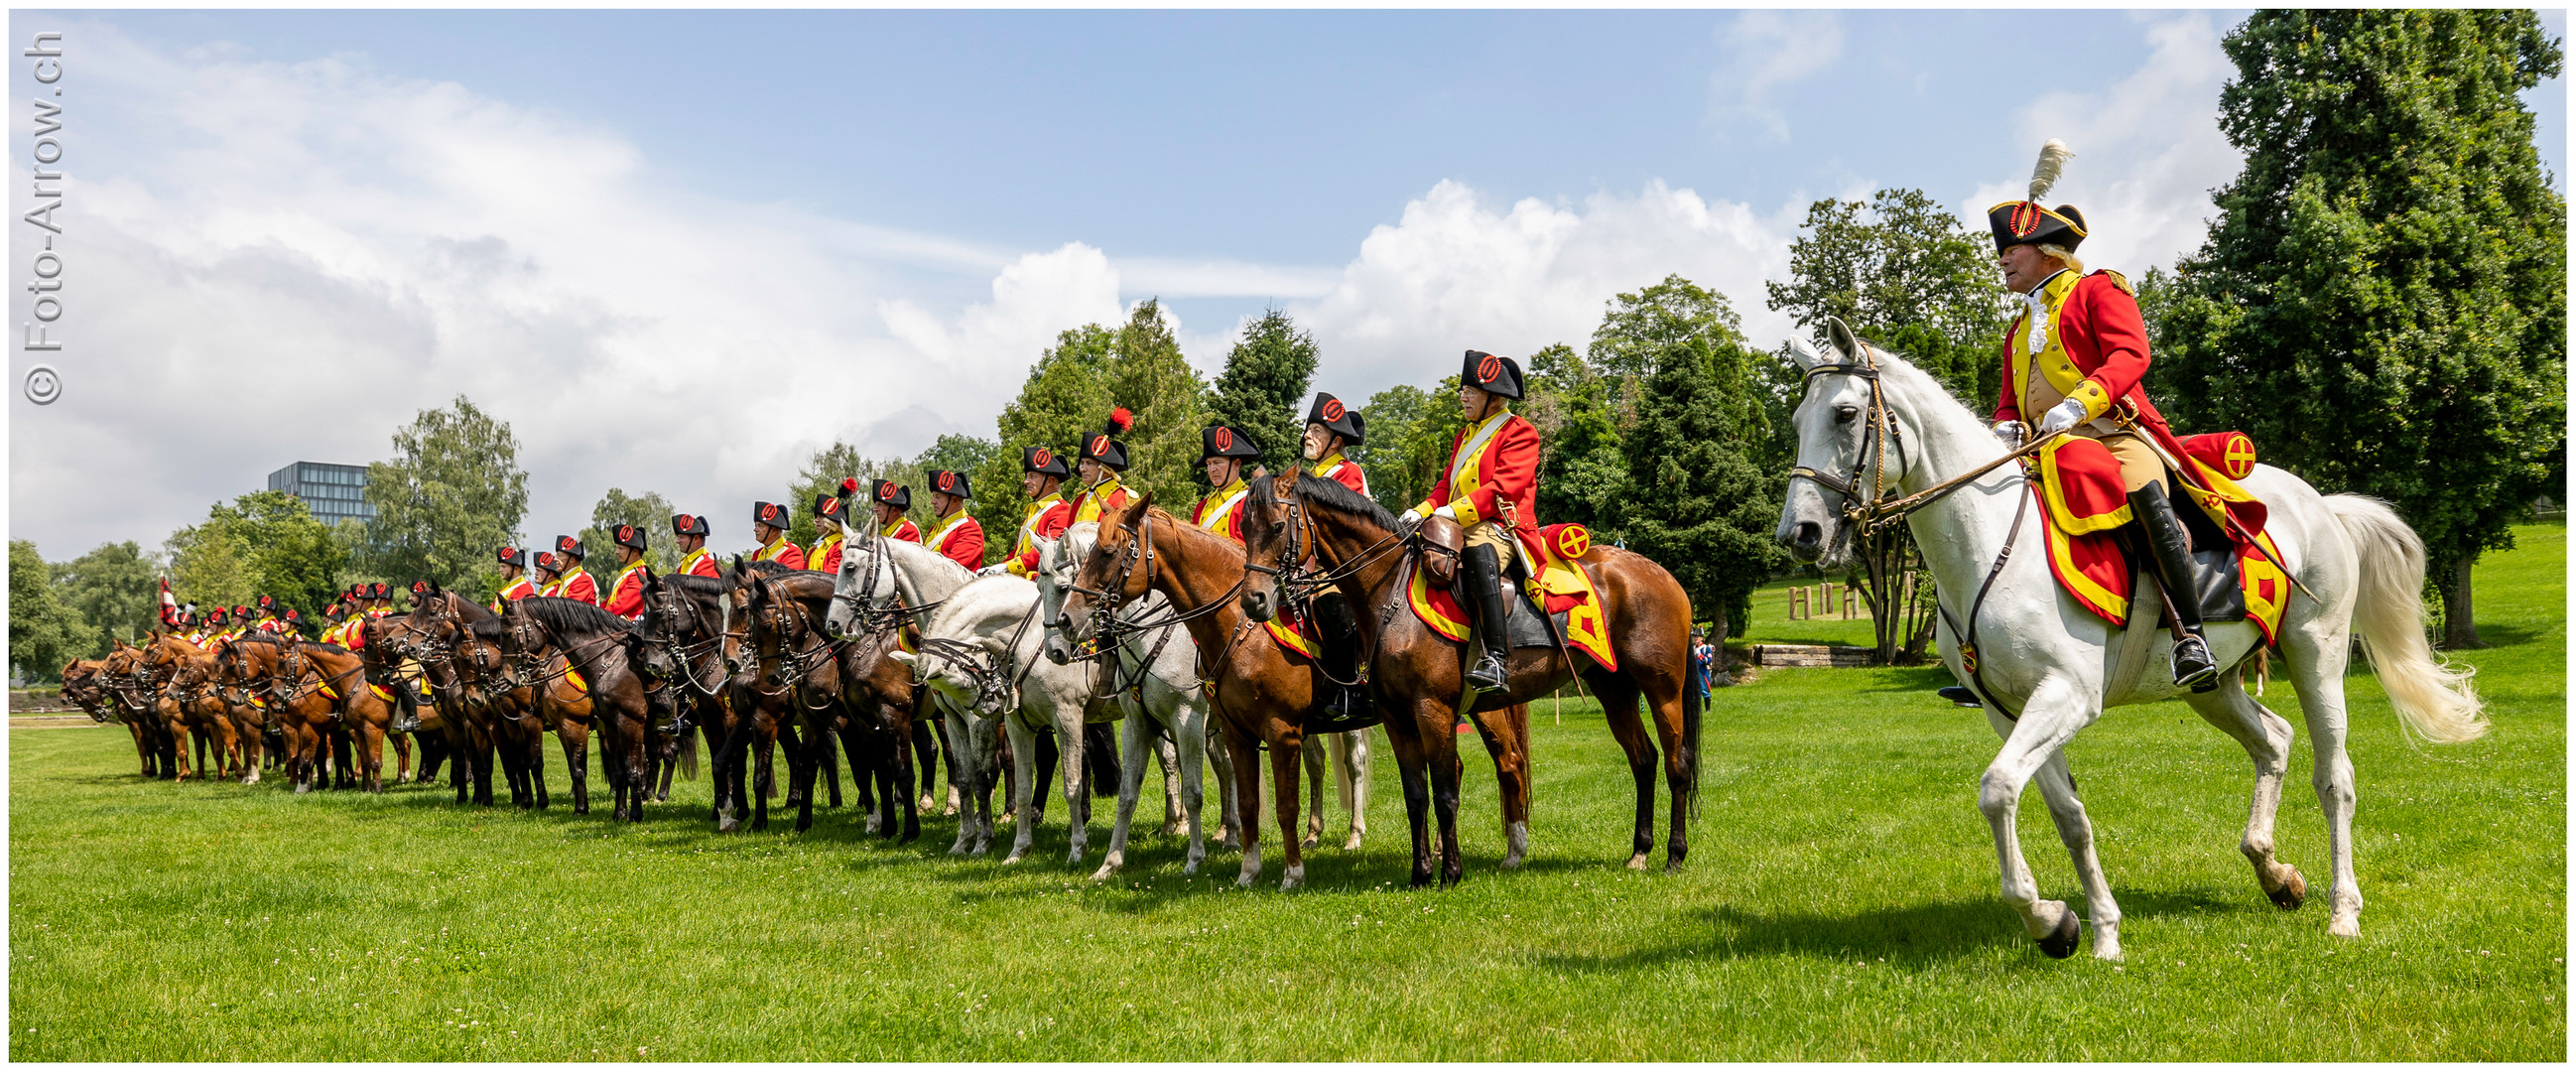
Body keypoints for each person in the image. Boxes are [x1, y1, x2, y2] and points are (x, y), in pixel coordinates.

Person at [1987, 140, 2214, 691]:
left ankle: (2190, 636)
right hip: (2042, 450)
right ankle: (1999, 659)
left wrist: (2078, 404)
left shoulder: (2097, 290)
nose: (2002, 260)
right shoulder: (2017, 331)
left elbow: (2131, 356)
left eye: (2011, 249)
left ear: (2046, 250)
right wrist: (2001, 426)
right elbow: (2009, 401)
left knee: (2143, 492)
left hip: (2114, 435)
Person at [1402, 350, 1543, 692]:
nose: (1462, 396)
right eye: (1462, 390)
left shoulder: (1520, 432)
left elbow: (1504, 489)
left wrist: (1452, 511)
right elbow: (1445, 486)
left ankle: (1496, 659)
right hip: (1457, 523)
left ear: (1494, 399)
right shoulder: (1464, 436)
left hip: (1502, 526)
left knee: (1480, 552)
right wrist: (1420, 511)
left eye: (1470, 391)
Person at [998, 446, 1074, 578]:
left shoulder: (1061, 510)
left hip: (1039, 583)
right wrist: (1000, 568)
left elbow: (1046, 551)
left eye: (1032, 476)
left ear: (1050, 481)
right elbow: (1017, 552)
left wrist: (1008, 567)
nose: (1026, 481)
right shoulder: (1034, 511)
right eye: (1027, 476)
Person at [1191, 424, 1261, 542]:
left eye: (1217, 462)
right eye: (1209, 464)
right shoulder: (1201, 507)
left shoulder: (1250, 503)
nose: (1212, 469)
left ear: (1236, 464)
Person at [1068, 408, 1135, 525]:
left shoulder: (1121, 497)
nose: (1082, 469)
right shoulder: (1078, 501)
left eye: (1089, 463)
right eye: (1082, 463)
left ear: (1106, 470)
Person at [1303, 392, 1369, 495]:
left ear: (1335, 442)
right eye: (1308, 429)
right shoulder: (1311, 474)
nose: (1306, 435)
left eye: (1316, 430)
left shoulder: (1349, 471)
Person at [920, 469, 986, 572]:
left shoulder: (970, 529)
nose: (932, 501)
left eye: (938, 497)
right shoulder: (935, 528)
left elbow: (951, 571)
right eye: (933, 496)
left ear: (954, 499)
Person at [601, 524, 653, 621]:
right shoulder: (628, 572)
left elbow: (621, 605)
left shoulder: (639, 574)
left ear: (635, 552)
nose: (617, 552)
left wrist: (600, 616)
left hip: (628, 628)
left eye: (621, 548)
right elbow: (609, 601)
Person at [809, 483, 853, 575]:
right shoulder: (813, 550)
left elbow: (829, 580)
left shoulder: (840, 547)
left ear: (831, 523)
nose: (816, 520)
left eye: (821, 517)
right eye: (816, 517)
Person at [749, 502, 807, 569]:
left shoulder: (792, 552)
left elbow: (787, 577)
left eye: (760, 526)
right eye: (756, 525)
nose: (755, 529)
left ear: (774, 530)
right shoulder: (757, 554)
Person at [551, 537, 600, 605]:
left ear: (572, 560)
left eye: (559, 556)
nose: (555, 559)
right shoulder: (565, 579)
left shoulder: (583, 580)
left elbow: (567, 608)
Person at [869, 480, 920, 544]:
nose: (874, 509)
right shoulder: (884, 532)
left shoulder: (908, 530)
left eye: (880, 505)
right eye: (875, 505)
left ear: (895, 510)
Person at [672, 513, 720, 579]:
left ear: (696, 538)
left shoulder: (708, 564)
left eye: (681, 537)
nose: (677, 541)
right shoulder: (683, 565)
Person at [491, 545, 538, 613]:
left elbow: (516, 613)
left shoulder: (526, 587)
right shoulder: (504, 589)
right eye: (500, 567)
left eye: (504, 567)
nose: (500, 570)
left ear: (516, 568)